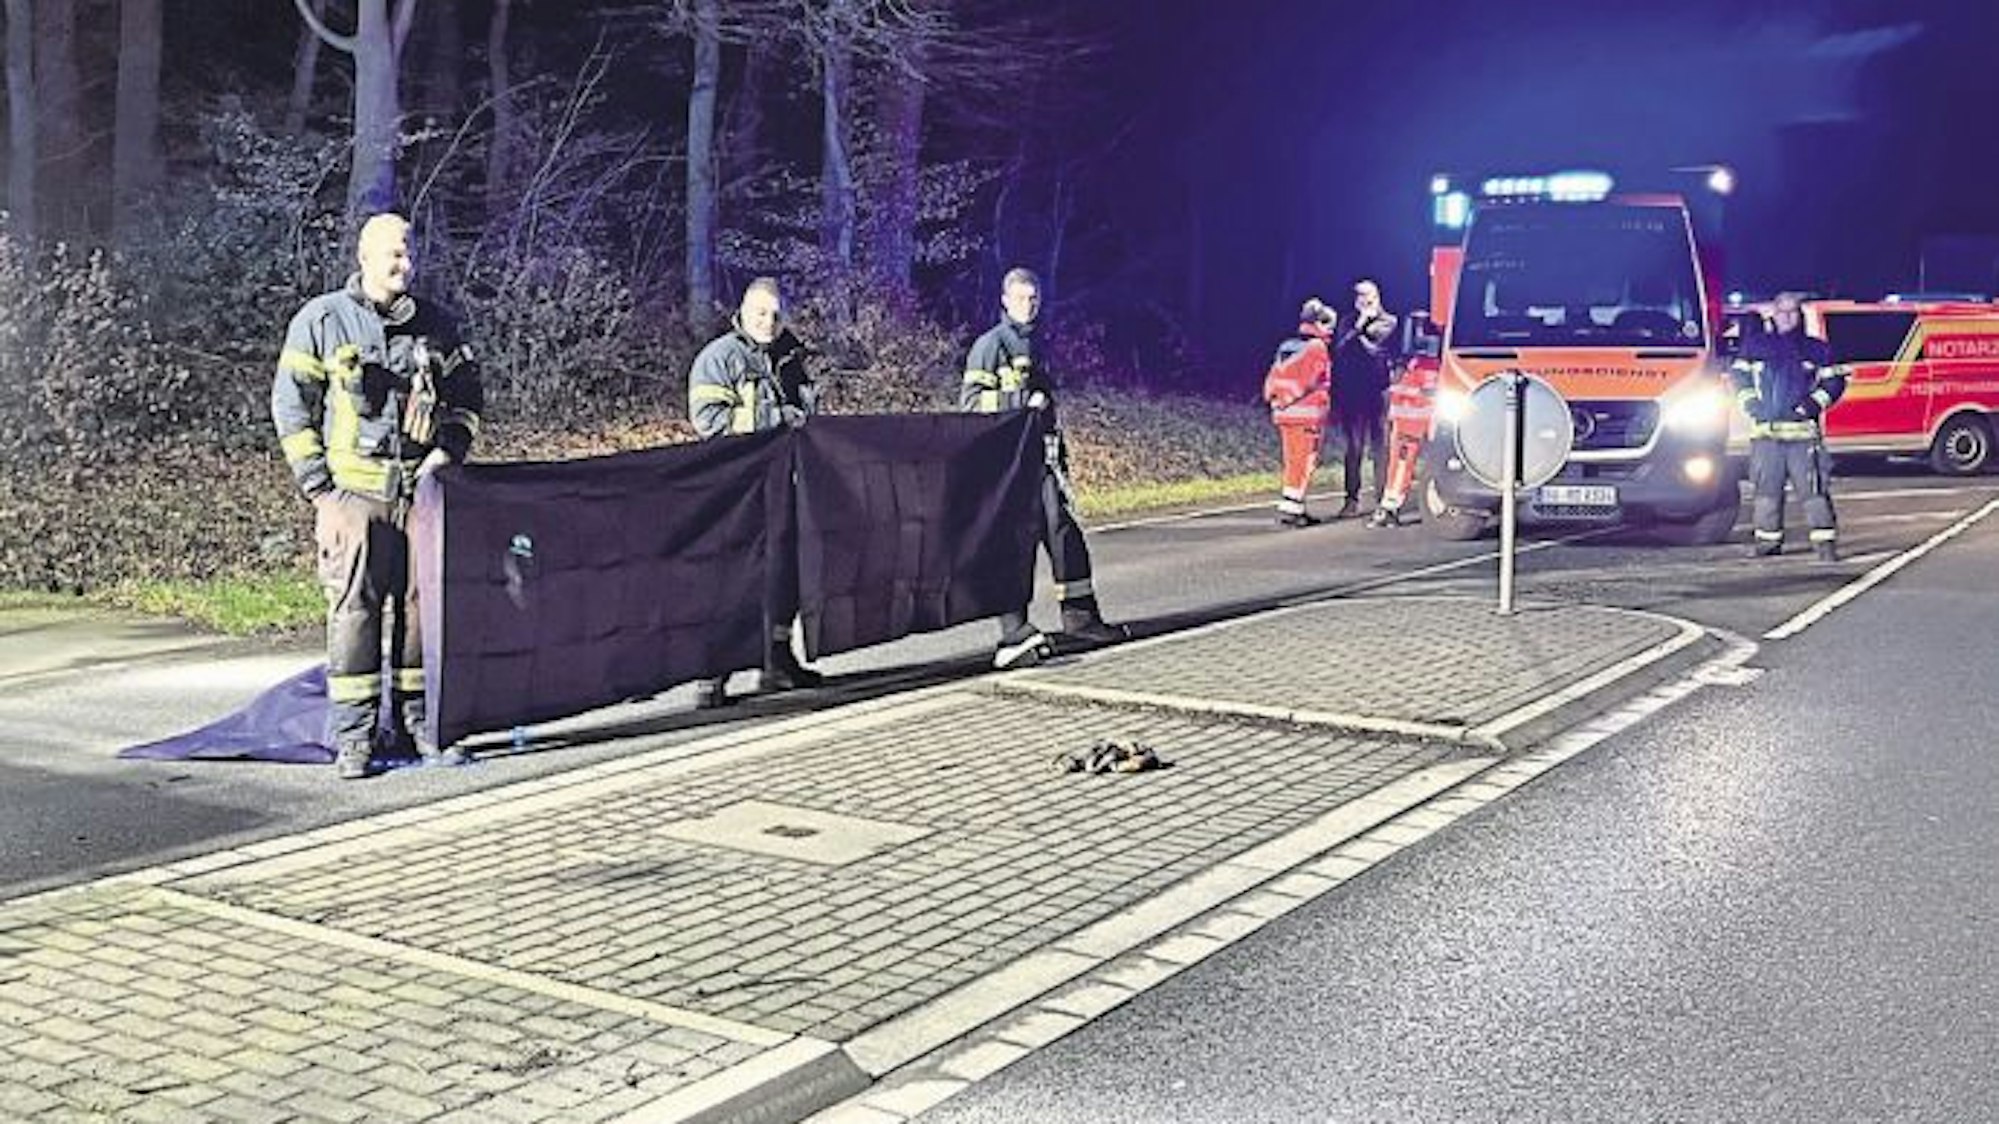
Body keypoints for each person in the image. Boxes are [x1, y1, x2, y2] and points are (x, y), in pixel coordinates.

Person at [271, 213, 485, 780]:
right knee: (355, 615)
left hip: (421, 496)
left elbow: (468, 397)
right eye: (393, 254)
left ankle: (420, 725)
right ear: (364, 257)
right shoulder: (322, 320)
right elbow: (290, 405)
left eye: (409, 253)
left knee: (421, 614)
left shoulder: (437, 326)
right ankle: (355, 739)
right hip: (354, 498)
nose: (404, 264)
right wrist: (319, 488)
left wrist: (450, 451)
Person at [961, 267, 1127, 669]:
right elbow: (970, 403)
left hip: (1045, 454)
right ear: (1004, 301)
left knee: (1062, 529)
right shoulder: (990, 346)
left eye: (1033, 299)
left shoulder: (1039, 343)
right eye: (1020, 298)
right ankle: (1013, 630)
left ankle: (1080, 616)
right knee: (1013, 541)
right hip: (1008, 463)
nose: (1028, 305)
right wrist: (1019, 399)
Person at [686, 276, 823, 708]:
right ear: (743, 313)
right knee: (733, 577)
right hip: (737, 487)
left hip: (786, 481)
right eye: (761, 313)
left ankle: (777, 661)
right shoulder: (718, 358)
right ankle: (713, 673)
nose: (769, 321)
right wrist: (776, 415)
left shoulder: (792, 357)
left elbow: (810, 414)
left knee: (788, 573)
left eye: (776, 314)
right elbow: (709, 421)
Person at [1731, 292, 1848, 561]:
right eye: (1782, 312)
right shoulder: (1756, 346)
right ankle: (1767, 544)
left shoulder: (1816, 349)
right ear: (1773, 314)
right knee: (1765, 495)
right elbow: (1739, 378)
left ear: (1800, 315)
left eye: (1792, 311)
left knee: (1814, 493)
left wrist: (1811, 406)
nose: (1787, 316)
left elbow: (1835, 383)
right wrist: (1751, 405)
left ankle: (1825, 547)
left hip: (1803, 438)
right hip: (1766, 437)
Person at [1263, 297, 1336, 527]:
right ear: (1320, 323)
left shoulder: (1287, 345)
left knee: (1291, 460)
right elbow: (1311, 379)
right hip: (1307, 415)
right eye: (1329, 325)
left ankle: (1292, 505)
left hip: (1284, 413)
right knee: (1304, 462)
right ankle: (1294, 509)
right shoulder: (1317, 348)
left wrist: (1278, 401)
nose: (1331, 331)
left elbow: (1275, 376)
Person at [1329, 279, 1398, 519]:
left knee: (1381, 447)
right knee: (1354, 447)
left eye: (1367, 296)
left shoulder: (1389, 321)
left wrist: (1362, 327)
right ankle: (1351, 500)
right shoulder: (1348, 321)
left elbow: (1374, 348)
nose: (1363, 301)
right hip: (1354, 392)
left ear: (1376, 297)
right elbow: (1339, 348)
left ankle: (1382, 499)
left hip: (1378, 392)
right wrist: (1358, 325)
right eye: (1359, 296)